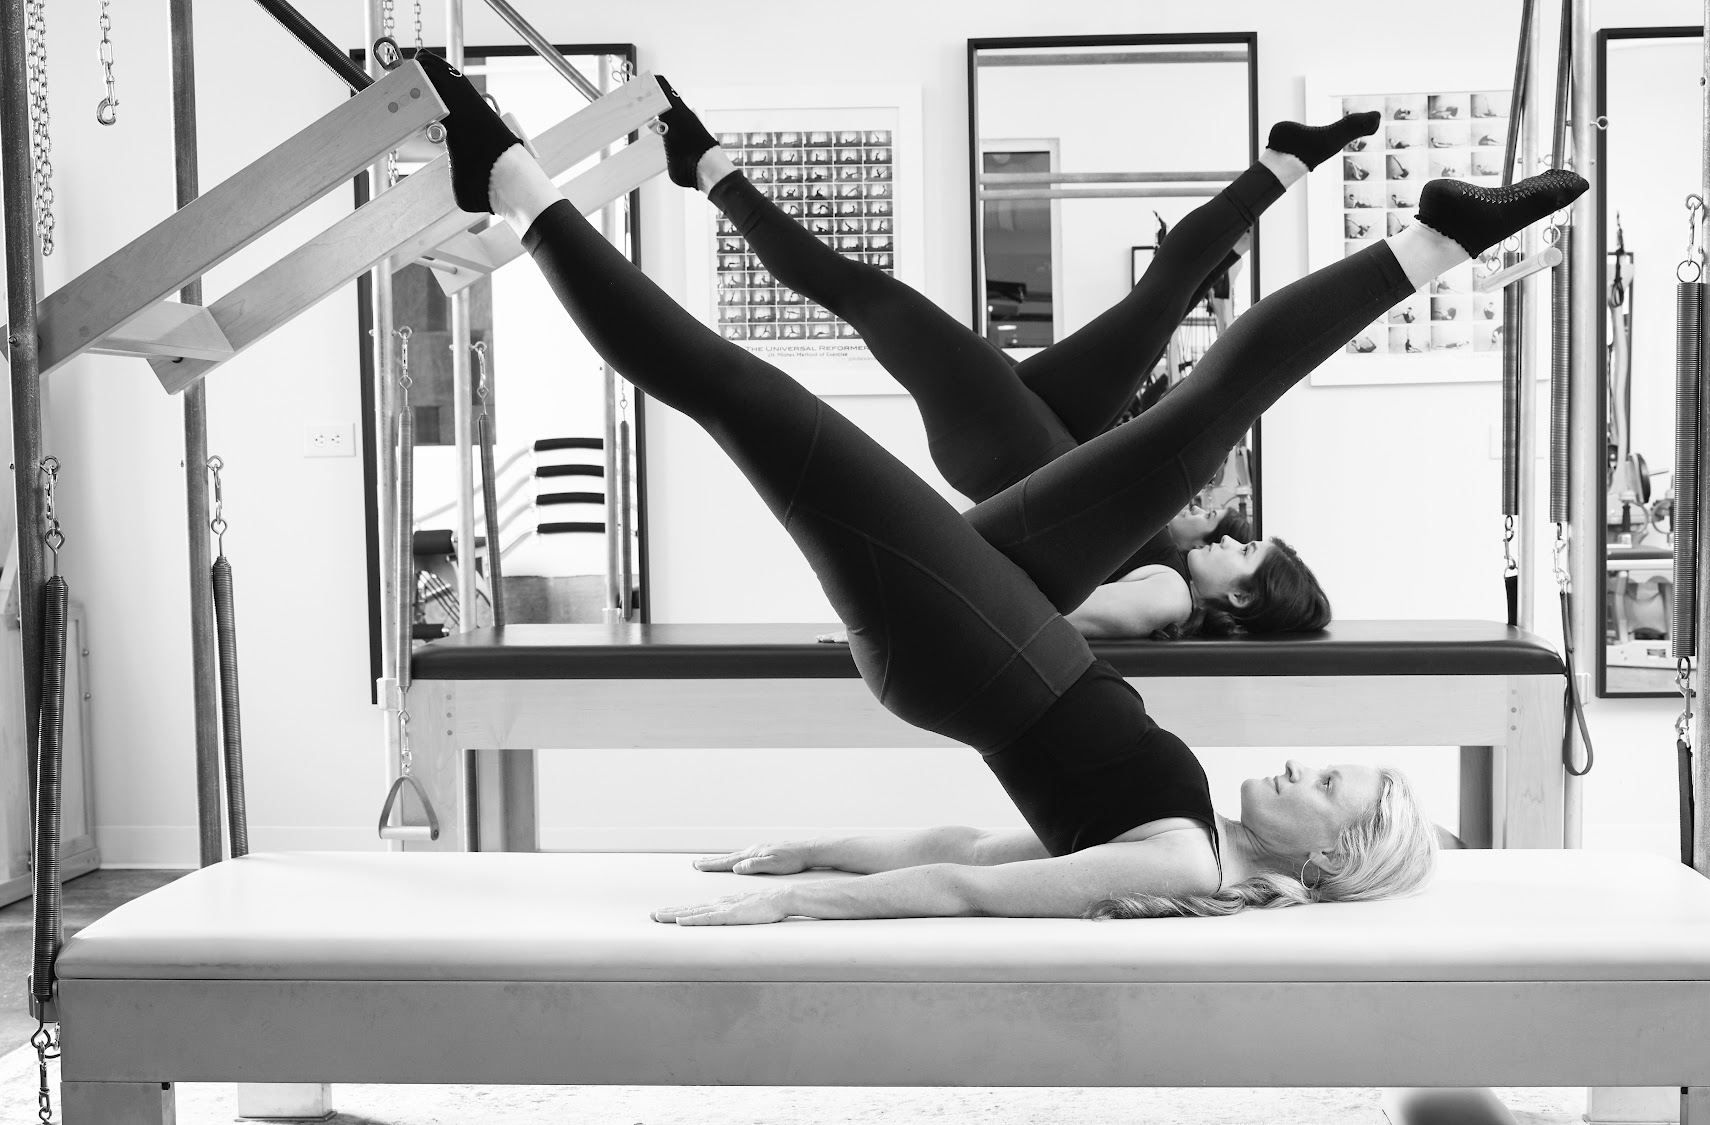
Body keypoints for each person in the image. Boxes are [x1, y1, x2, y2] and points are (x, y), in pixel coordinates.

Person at [413, 53, 1587, 925]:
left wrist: (794, 905)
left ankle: (511, 180)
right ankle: (1429, 244)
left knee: (741, 393)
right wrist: (821, 849)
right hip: (1009, 629)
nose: (1301, 763)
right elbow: (969, 844)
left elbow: (966, 893)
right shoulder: (1201, 836)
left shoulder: (1182, 862)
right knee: (1189, 411)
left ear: (1322, 862)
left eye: (1325, 784)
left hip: (968, 649)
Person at [658, 80, 1369, 638]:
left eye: (1246, 554)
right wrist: (1189, 526)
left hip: (1002, 450)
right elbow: (1121, 525)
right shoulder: (1174, 561)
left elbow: (1037, 609)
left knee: (865, 294)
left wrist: (892, 613)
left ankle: (712, 173)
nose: (1235, 541)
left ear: (1240, 598)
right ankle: (1282, 162)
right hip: (1052, 439)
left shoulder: (1170, 597)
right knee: (1162, 297)